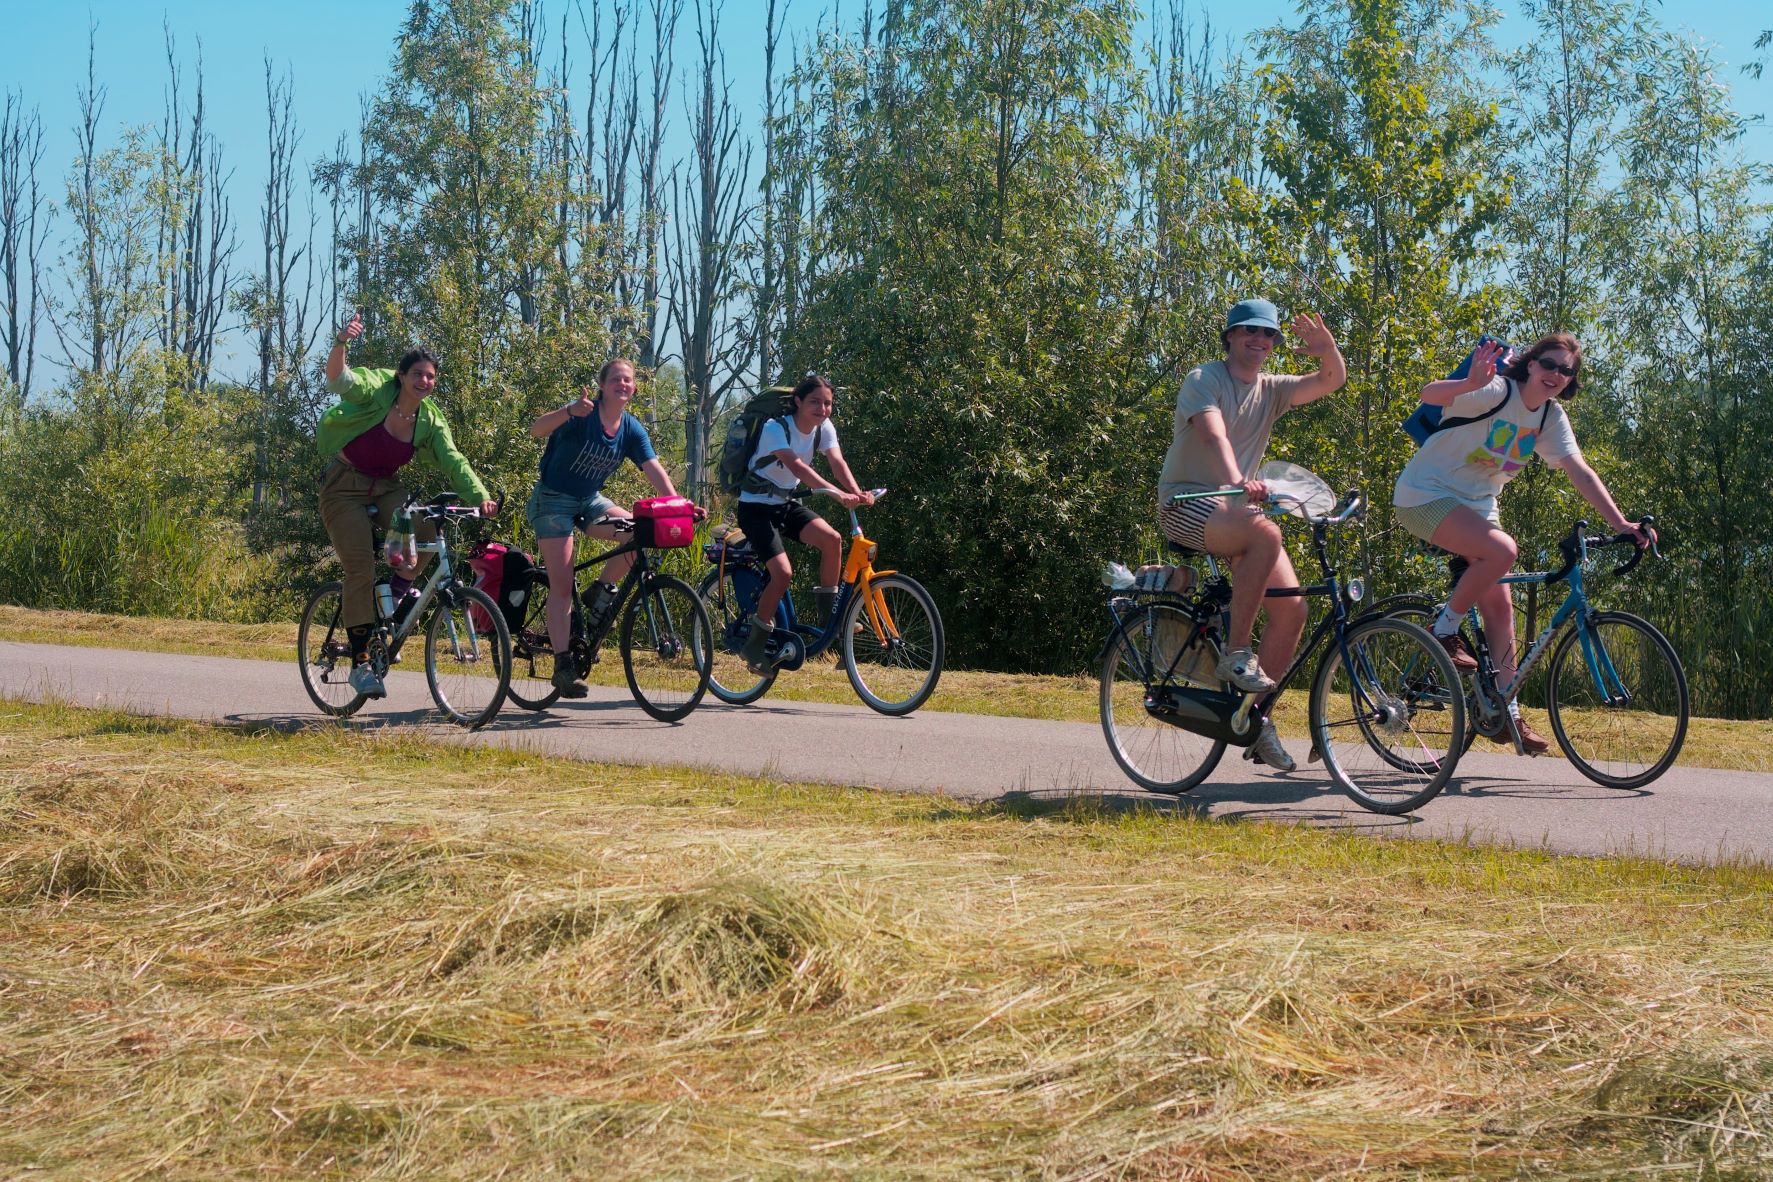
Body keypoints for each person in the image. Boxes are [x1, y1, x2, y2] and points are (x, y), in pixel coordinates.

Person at [1393, 333, 1652, 754]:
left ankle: (1505, 713)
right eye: (1549, 364)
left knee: (1500, 609)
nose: (1556, 374)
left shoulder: (1549, 417)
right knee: (1504, 551)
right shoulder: (1496, 390)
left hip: (1478, 506)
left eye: (1566, 371)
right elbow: (1429, 393)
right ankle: (1442, 629)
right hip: (1425, 495)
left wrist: (1621, 523)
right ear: (1531, 364)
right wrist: (1469, 383)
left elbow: (1579, 471)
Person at [1155, 298, 1347, 773]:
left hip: (1236, 511)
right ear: (1230, 337)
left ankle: (1253, 720)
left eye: (1268, 334)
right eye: (1249, 332)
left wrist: (1328, 349)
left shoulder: (1272, 389)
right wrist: (1239, 482)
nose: (1260, 340)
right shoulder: (1204, 379)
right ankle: (1236, 653)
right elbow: (1213, 435)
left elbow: (1330, 381)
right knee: (1266, 534)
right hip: (1186, 503)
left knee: (1293, 610)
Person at [318, 314, 498, 699]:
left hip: (385, 488)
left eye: (431, 376)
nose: (424, 381)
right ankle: (361, 662)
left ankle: (396, 593)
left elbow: (454, 460)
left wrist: (479, 496)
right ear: (401, 376)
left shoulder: (429, 419)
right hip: (343, 487)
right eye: (417, 374)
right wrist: (341, 342)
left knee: (427, 528)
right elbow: (339, 379)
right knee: (360, 569)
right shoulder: (376, 389)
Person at [527, 358, 703, 698]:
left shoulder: (631, 429)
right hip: (552, 502)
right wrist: (568, 410)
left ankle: (599, 591)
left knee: (640, 533)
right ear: (602, 385)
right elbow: (536, 429)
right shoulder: (582, 415)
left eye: (628, 380)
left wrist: (679, 506)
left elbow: (654, 470)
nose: (622, 384)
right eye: (615, 379)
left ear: (634, 388)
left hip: (590, 500)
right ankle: (563, 666)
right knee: (561, 586)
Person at [734, 373, 874, 674]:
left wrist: (856, 491)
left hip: (785, 504)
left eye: (827, 403)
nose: (822, 409)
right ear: (798, 401)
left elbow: (837, 462)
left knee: (832, 540)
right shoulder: (776, 428)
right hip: (755, 508)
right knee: (782, 573)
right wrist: (837, 494)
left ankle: (829, 620)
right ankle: (754, 645)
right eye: (815, 402)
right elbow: (797, 466)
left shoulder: (824, 428)